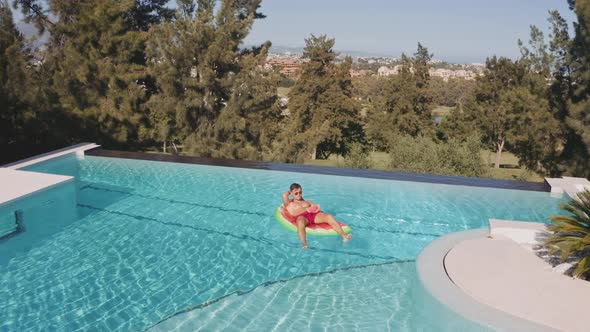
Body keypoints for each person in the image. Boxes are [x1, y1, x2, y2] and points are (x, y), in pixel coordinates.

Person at [282, 183, 352, 249]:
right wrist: (289, 192)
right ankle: (304, 244)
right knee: (300, 221)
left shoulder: (308, 202)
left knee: (329, 216)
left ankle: (344, 236)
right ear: (291, 193)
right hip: (301, 217)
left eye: (300, 192)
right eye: (296, 193)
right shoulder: (289, 203)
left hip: (313, 215)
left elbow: (316, 209)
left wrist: (318, 210)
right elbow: (284, 195)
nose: (299, 195)